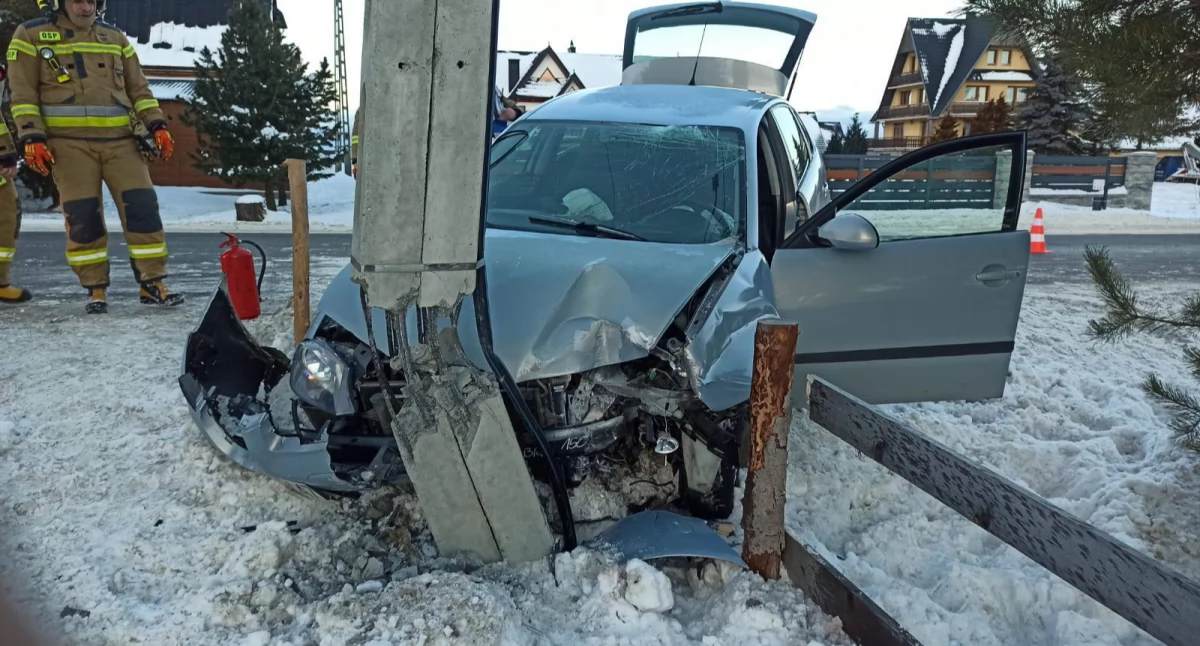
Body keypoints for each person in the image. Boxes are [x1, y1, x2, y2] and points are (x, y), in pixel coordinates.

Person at [7, 0, 181, 314]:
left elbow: (139, 89)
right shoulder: (30, 35)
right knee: (83, 217)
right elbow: (22, 93)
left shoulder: (115, 38)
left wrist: (157, 125)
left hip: (122, 143)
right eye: (77, 1)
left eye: (91, 1)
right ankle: (96, 289)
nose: (85, 7)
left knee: (143, 209)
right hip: (68, 146)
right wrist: (31, 136)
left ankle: (153, 283)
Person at [350, 86, 521, 179]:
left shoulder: (481, 81)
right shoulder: (388, 90)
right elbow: (360, 123)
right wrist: (356, 159)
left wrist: (514, 113)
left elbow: (508, 105)